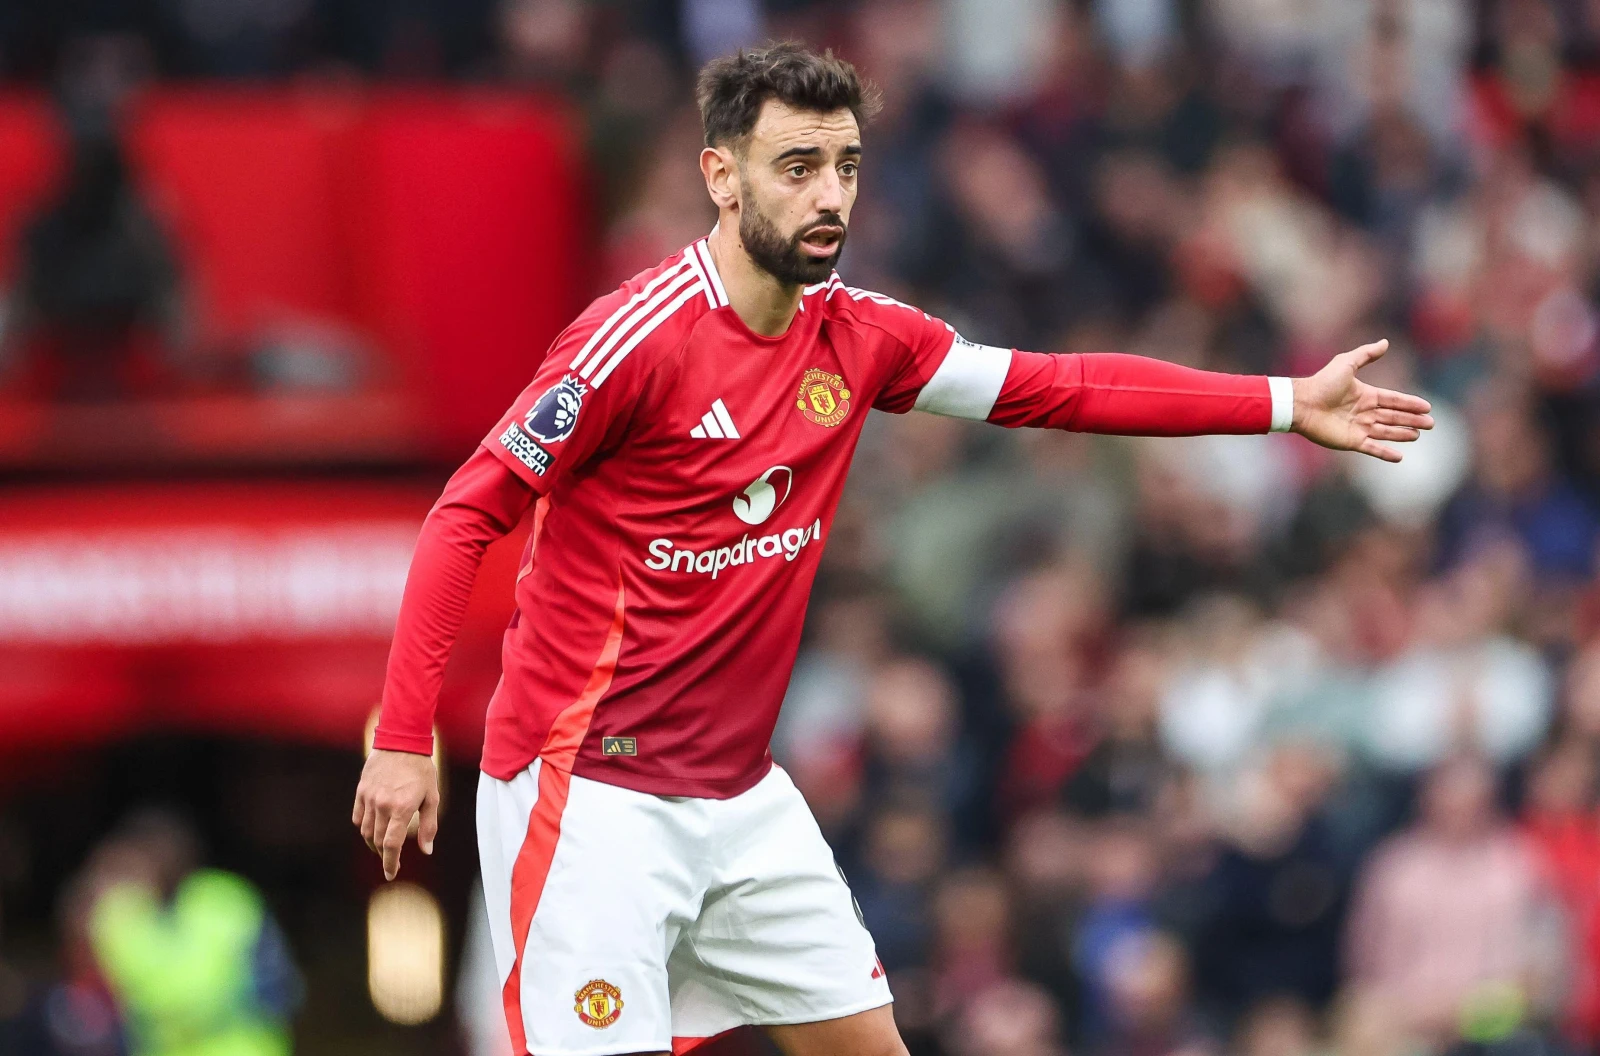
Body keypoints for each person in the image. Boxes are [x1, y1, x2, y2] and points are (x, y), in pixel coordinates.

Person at [351, 42, 1434, 1056]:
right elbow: (464, 514)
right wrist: (404, 738)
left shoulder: (863, 338)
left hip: (737, 799)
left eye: (845, 167)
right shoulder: (630, 343)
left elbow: (1056, 387)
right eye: (796, 167)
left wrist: (1287, 400)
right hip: (584, 794)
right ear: (720, 178)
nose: (829, 196)